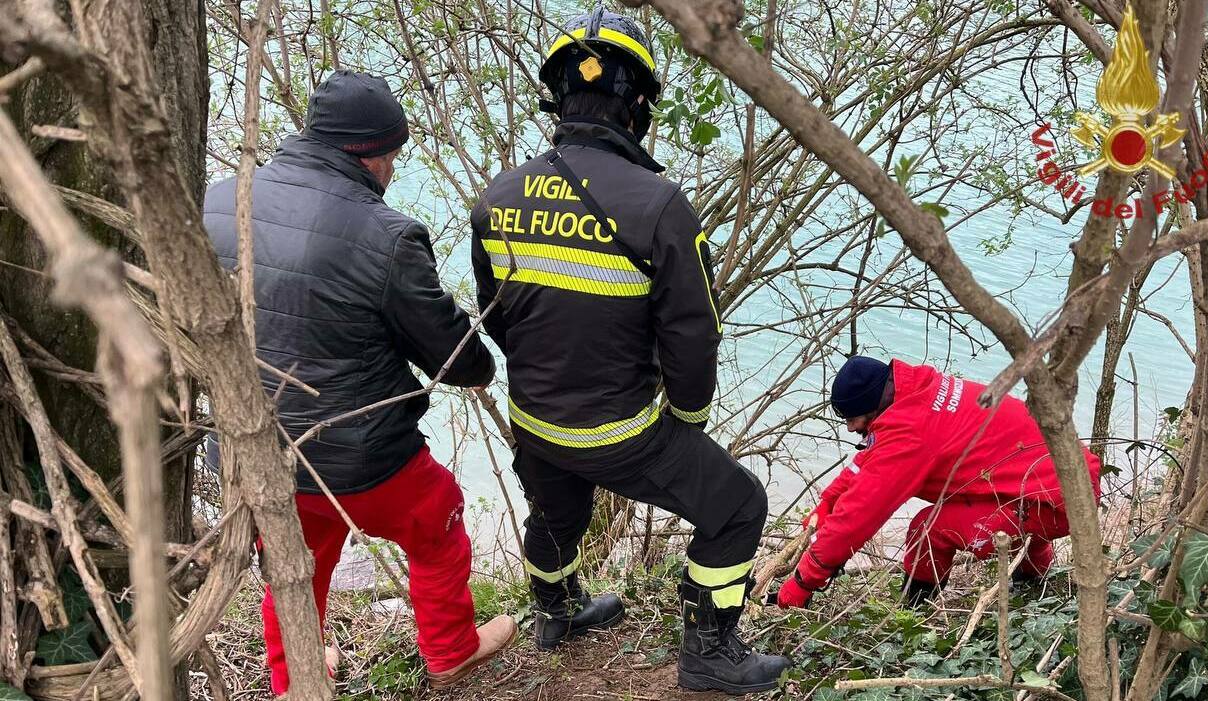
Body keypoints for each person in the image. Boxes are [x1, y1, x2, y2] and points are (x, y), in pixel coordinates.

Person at [469, 8, 788, 695]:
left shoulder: (495, 198)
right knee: (738, 505)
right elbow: (693, 336)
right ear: (637, 105)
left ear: (559, 97)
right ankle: (708, 651)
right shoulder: (659, 204)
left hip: (535, 417)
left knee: (558, 513)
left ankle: (555, 610)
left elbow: (496, 316)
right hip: (620, 429)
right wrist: (687, 422)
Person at [203, 70, 515, 695]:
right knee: (436, 515)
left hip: (250, 444)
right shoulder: (388, 236)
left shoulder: (217, 199)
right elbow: (454, 358)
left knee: (295, 556)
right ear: (373, 156)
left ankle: (298, 676)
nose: (394, 169)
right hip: (361, 455)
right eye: (395, 156)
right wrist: (484, 364)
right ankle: (451, 649)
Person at [772, 356, 1103, 608]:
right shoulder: (916, 395)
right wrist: (827, 503)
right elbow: (868, 463)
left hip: (1063, 499)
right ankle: (1036, 586)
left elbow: (857, 519)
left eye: (851, 418)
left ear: (872, 407)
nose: (848, 428)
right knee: (1002, 502)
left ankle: (912, 615)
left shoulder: (910, 436)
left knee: (927, 531)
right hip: (1057, 483)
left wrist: (800, 585)